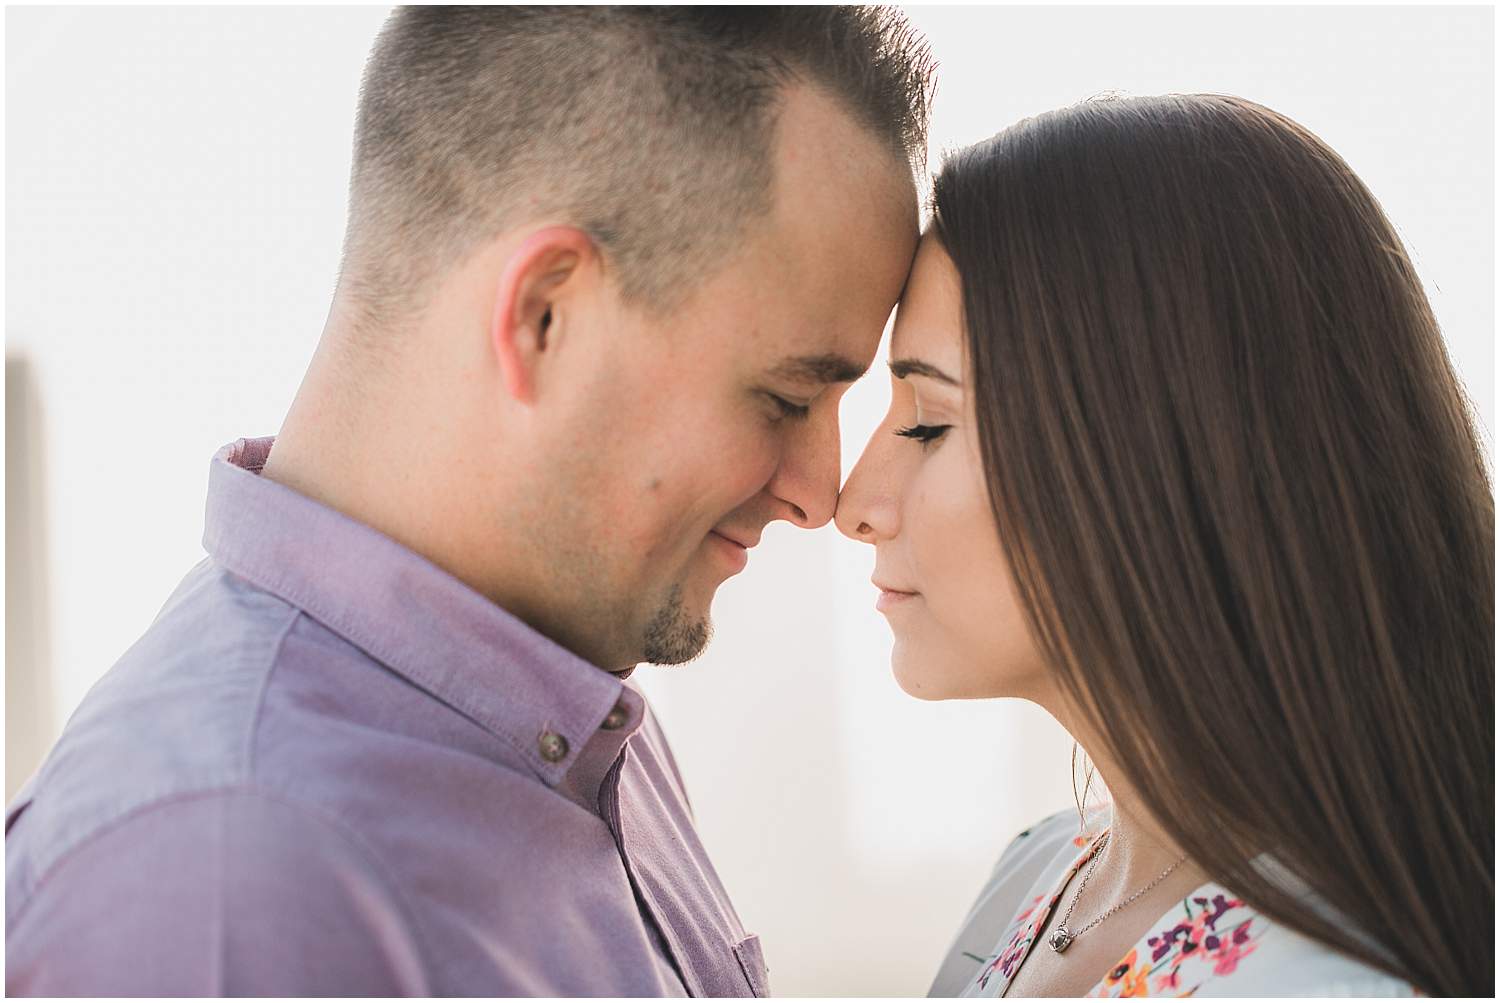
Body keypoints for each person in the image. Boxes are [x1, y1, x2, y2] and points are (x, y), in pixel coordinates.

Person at [5, 8, 933, 996]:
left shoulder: (584, 725)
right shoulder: (227, 876)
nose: (819, 492)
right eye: (787, 397)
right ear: (543, 316)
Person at [835, 93, 1492, 998]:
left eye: (927, 424)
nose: (854, 505)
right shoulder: (1030, 885)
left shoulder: (1335, 982)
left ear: (1150, 450)